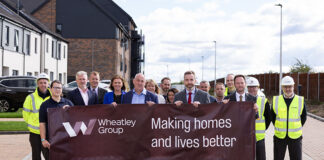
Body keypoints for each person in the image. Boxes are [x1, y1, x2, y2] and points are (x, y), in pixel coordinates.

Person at [271, 76, 307, 160]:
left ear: (293, 87)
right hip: (279, 137)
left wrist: (295, 127)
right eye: (285, 87)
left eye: (290, 86)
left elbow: (304, 116)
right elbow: (272, 117)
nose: (287, 89)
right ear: (282, 87)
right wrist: (279, 126)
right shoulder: (276, 100)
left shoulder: (300, 100)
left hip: (295, 137)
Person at [39, 80, 73, 160]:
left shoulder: (68, 103)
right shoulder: (44, 105)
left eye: (59, 88)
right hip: (50, 142)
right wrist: (43, 140)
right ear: (50, 89)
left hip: (65, 142)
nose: (57, 90)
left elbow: (74, 121)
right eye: (55, 87)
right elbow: (42, 124)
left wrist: (69, 111)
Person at [23, 73, 51, 160]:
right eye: (41, 82)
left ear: (48, 84)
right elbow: (25, 114)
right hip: (35, 133)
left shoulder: (53, 96)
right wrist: (33, 124)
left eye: (45, 82)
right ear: (37, 84)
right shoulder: (30, 97)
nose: (43, 84)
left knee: (49, 155)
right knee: (36, 155)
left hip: (48, 132)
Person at [246, 77, 271, 160]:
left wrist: (263, 128)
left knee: (261, 158)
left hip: (259, 138)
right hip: (246, 137)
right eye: (250, 87)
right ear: (247, 88)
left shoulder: (264, 101)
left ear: (258, 87)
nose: (252, 89)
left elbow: (268, 118)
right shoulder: (242, 101)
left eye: (254, 87)